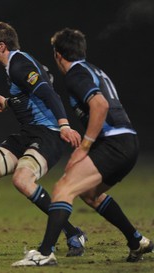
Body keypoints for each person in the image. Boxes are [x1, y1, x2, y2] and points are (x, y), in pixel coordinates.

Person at [12, 28, 153, 267]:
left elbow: (100, 106)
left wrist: (85, 146)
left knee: (63, 188)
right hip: (128, 142)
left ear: (58, 55)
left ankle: (45, 253)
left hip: (115, 143)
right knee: (90, 194)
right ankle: (136, 240)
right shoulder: (92, 70)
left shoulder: (76, 74)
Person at [0, 22, 85, 257]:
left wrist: (64, 125)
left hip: (49, 134)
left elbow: (48, 93)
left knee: (22, 180)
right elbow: (36, 89)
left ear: (1, 46)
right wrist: (9, 102)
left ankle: (72, 232)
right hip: (28, 133)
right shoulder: (17, 64)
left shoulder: (19, 65)